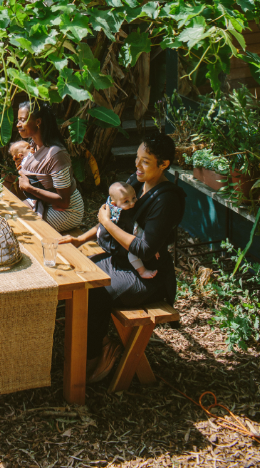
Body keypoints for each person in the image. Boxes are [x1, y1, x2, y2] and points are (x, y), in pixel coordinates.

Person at [59, 132, 185, 383]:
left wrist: (104, 221)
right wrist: (81, 239)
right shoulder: (135, 183)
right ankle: (99, 341)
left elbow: (144, 249)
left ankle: (94, 357)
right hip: (121, 260)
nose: (137, 166)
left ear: (164, 165)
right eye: (137, 158)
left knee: (95, 292)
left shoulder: (167, 199)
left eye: (145, 161)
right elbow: (115, 218)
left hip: (148, 275)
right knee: (77, 275)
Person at [16, 101, 84, 233]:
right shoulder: (33, 145)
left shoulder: (56, 154)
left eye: (23, 120)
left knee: (23, 228)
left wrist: (29, 188)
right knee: (10, 215)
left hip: (67, 211)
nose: (18, 125)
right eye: (18, 120)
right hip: (43, 203)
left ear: (38, 122)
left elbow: (64, 201)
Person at [74, 181, 157, 280]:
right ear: (114, 203)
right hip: (113, 244)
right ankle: (142, 272)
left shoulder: (113, 206)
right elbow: (137, 231)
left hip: (105, 240)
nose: (132, 203)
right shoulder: (122, 214)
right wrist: (152, 247)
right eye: (126, 201)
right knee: (133, 254)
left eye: (134, 198)